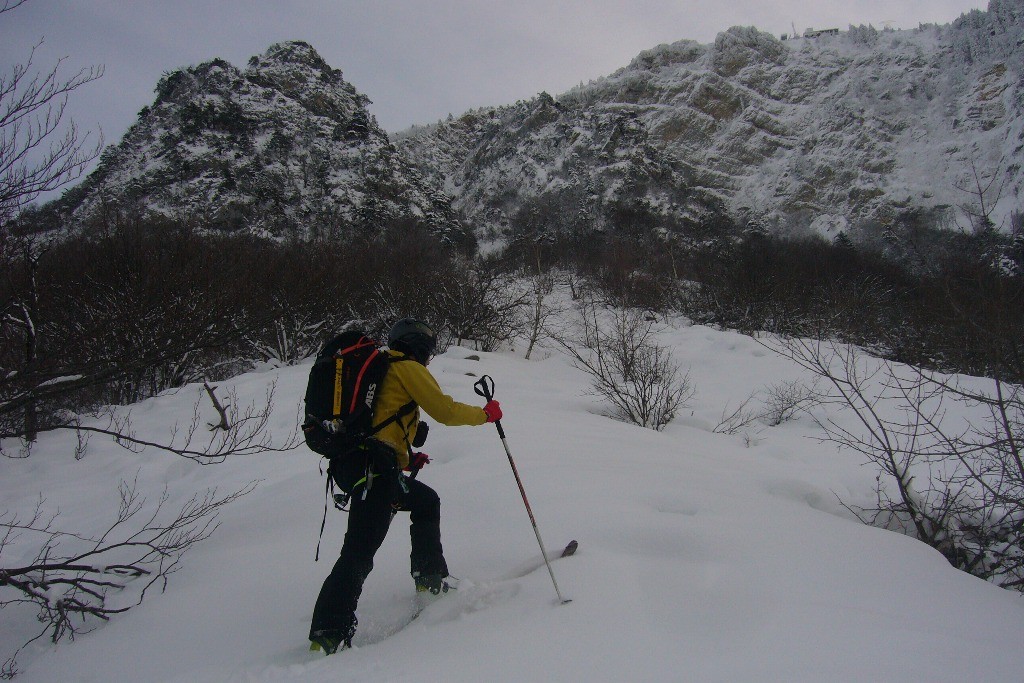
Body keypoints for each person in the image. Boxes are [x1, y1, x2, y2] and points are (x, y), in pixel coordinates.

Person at [309, 318, 502, 654]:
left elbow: (384, 422)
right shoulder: (405, 366)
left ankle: (429, 582)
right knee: (359, 550)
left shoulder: (383, 369)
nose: (429, 359)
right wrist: (486, 414)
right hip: (375, 471)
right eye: (428, 351)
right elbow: (445, 410)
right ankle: (328, 633)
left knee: (426, 501)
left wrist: (406, 457)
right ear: (420, 346)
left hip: (365, 466)